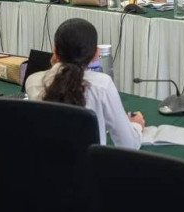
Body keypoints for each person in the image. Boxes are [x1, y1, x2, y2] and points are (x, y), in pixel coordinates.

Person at [25, 18, 144, 149]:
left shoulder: (33, 81)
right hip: (89, 161)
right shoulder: (102, 85)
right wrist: (136, 125)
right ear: (96, 54)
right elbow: (129, 144)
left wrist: (56, 64)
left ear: (55, 50)